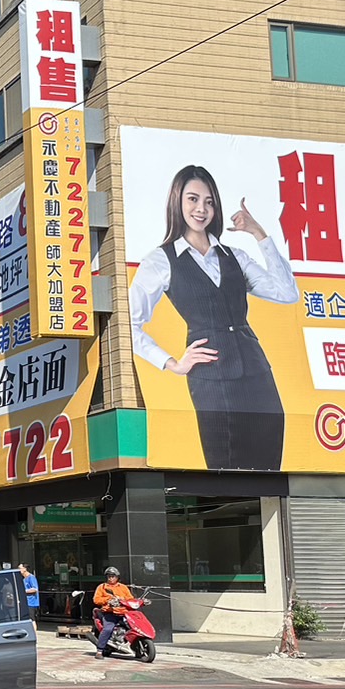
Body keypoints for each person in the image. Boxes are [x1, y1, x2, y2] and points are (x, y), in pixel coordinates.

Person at [129, 165, 298, 471]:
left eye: (209, 202)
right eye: (193, 199)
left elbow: (287, 293)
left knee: (270, 466)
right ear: (177, 201)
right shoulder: (160, 260)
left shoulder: (235, 257)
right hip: (211, 380)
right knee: (227, 467)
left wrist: (259, 234)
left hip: (258, 374)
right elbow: (129, 325)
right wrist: (172, 363)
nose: (201, 209)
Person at [92, 566, 135, 659]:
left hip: (124, 613)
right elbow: (96, 600)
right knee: (108, 629)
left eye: (113, 576)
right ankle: (99, 650)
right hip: (109, 613)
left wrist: (123, 599)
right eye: (109, 576)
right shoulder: (102, 587)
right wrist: (108, 600)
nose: (111, 578)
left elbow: (130, 598)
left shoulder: (123, 587)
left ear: (117, 577)